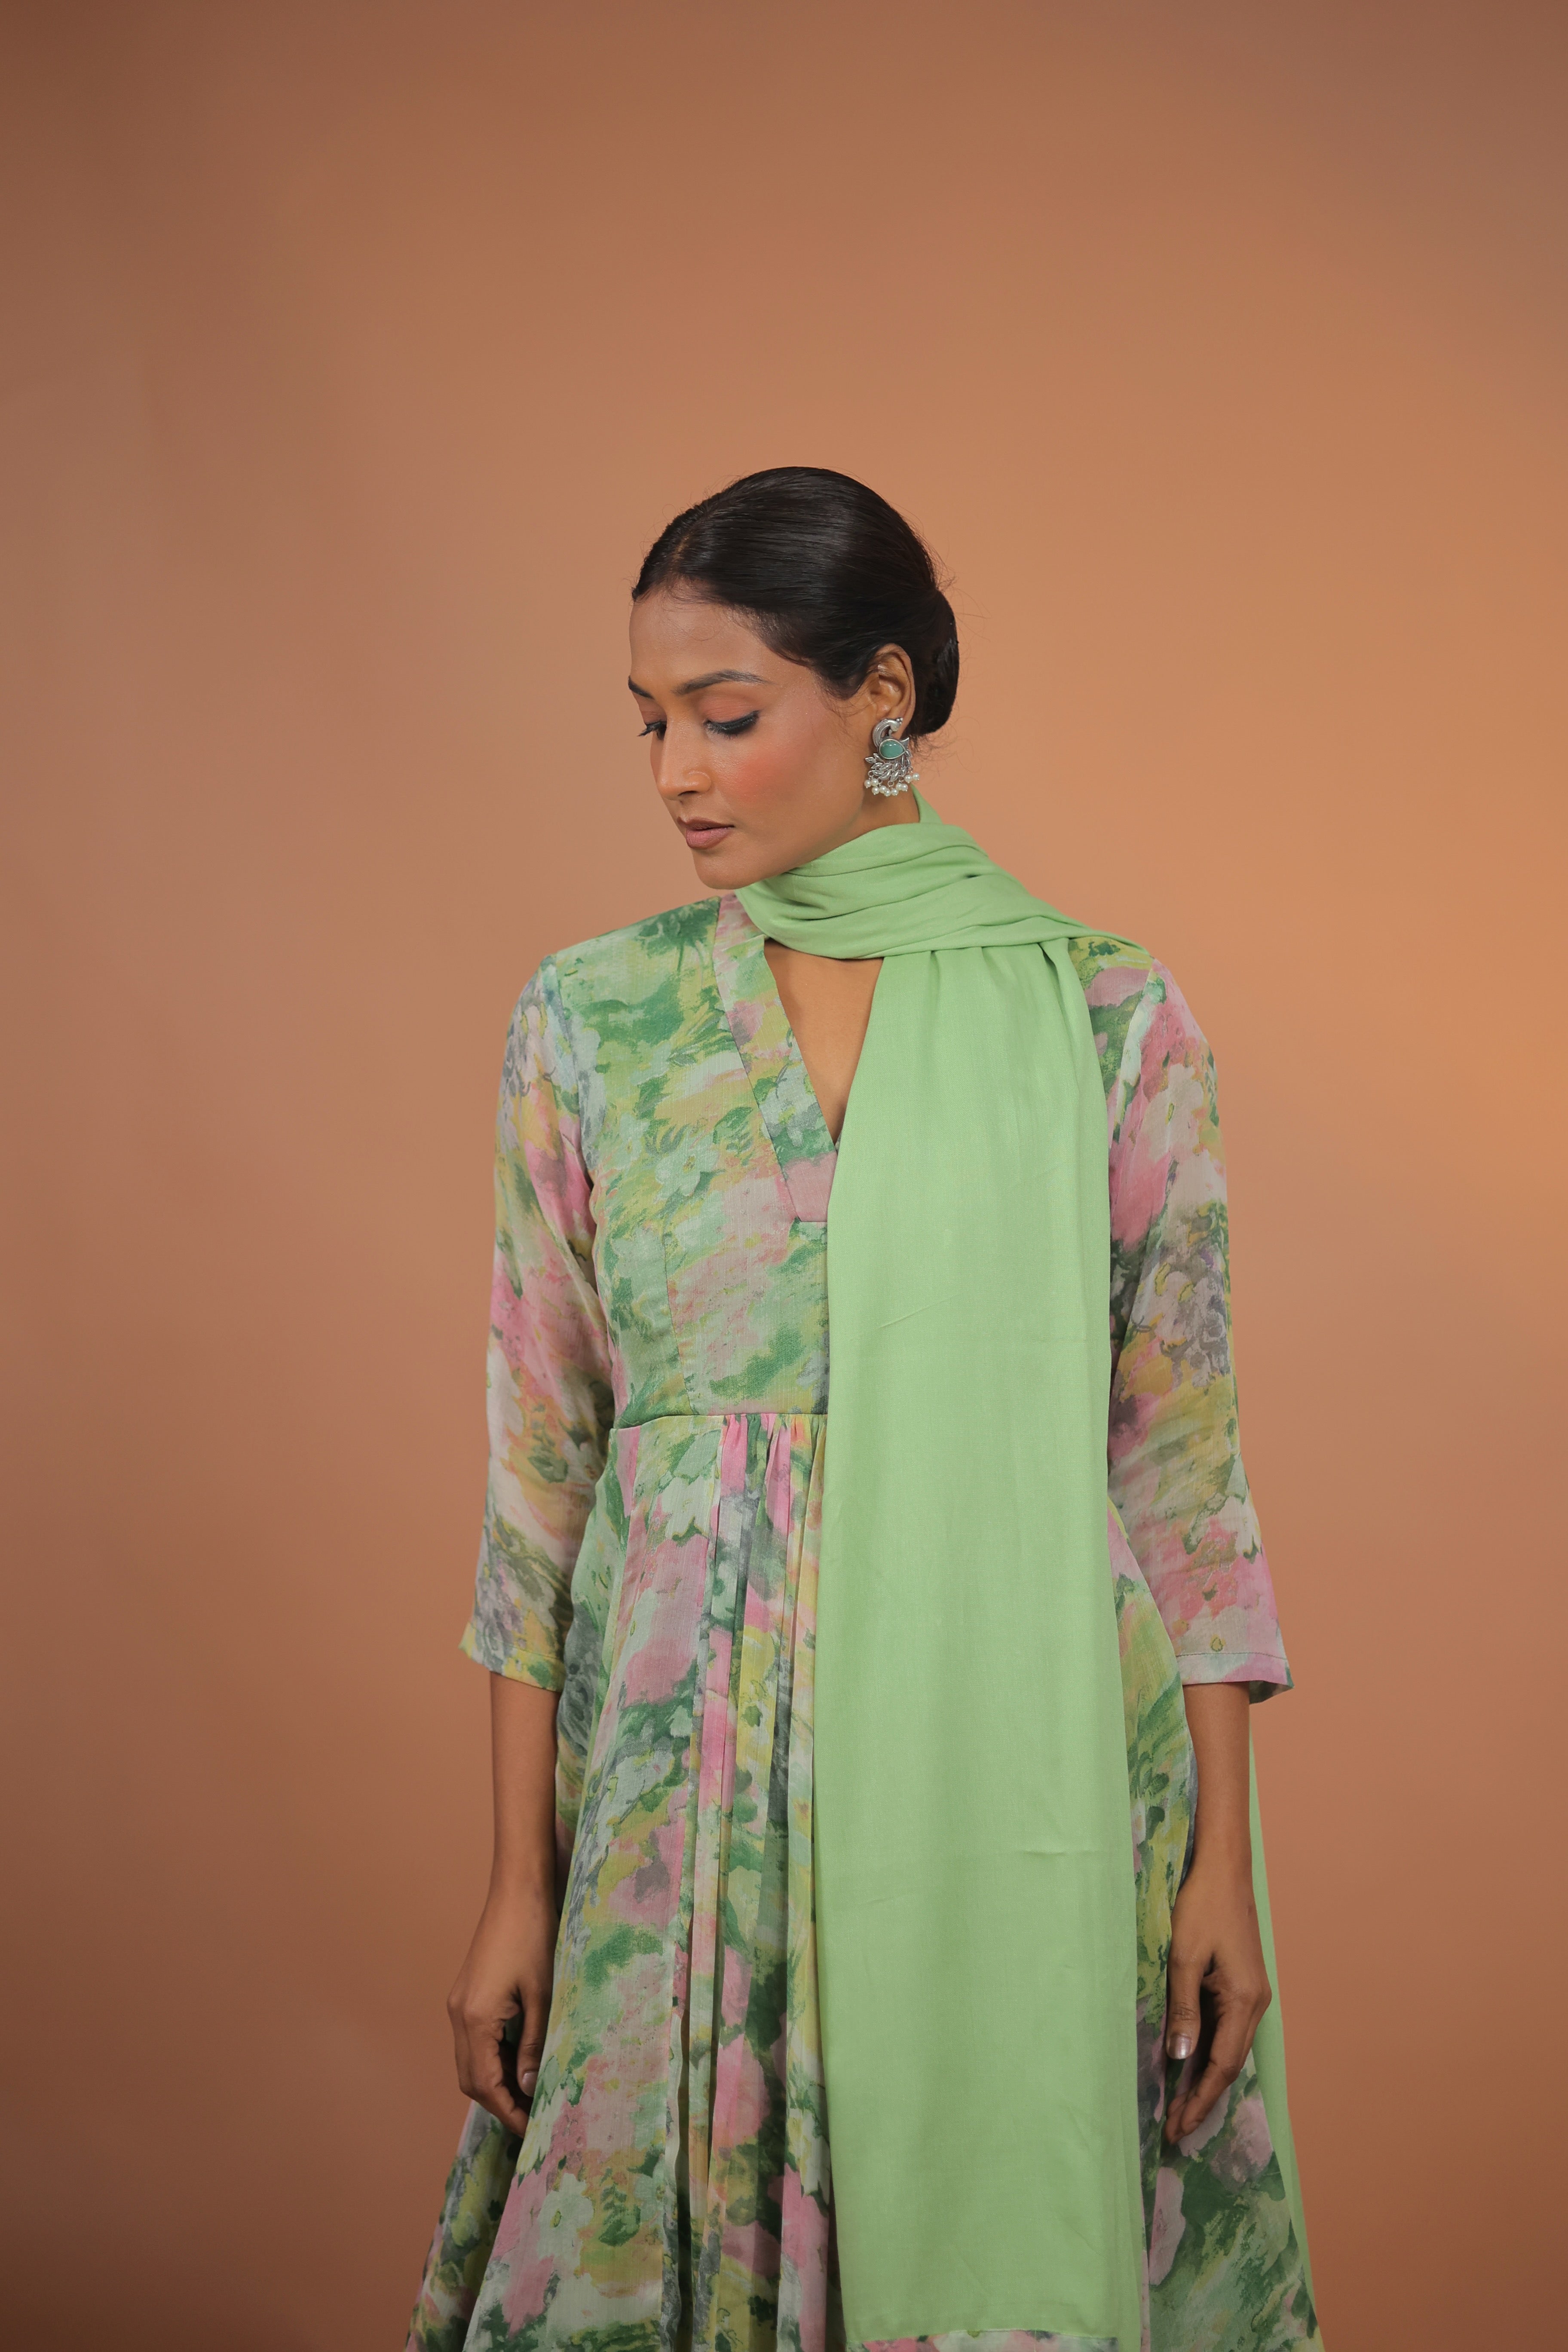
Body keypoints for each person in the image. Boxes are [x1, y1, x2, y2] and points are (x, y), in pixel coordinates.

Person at [407, 467, 1321, 2352]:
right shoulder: (595, 1024)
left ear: (882, 697)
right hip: (681, 1803)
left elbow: (1181, 1472)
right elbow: (540, 1481)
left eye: (727, 715)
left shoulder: (1103, 1018)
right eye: (651, 724)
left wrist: (1221, 1866)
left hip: (1025, 1786)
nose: (678, 772)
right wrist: (519, 1881)